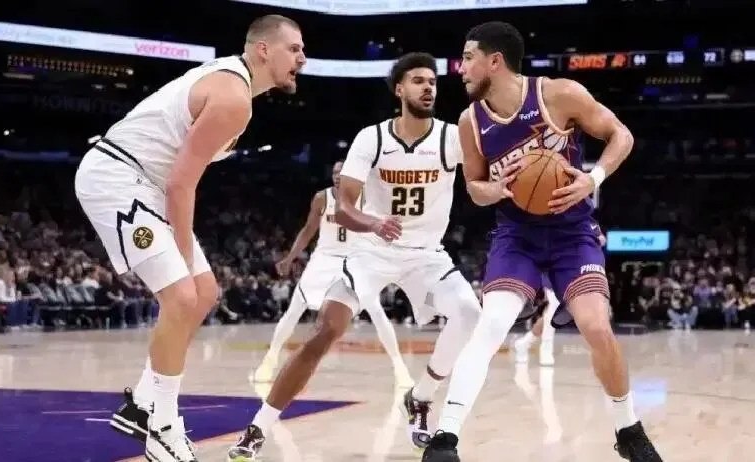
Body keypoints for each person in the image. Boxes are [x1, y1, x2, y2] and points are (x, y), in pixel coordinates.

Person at [422, 22, 663, 462]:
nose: (460, 68)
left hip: (572, 233)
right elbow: (474, 186)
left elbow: (621, 135)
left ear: (495, 61)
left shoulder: (558, 94)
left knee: (596, 327)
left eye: (468, 58)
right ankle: (445, 438)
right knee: (491, 324)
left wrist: (593, 177)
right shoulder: (470, 121)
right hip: (517, 236)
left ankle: (627, 429)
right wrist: (496, 189)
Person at [226, 52, 481, 461]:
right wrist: (373, 222)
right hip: (372, 252)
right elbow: (344, 208)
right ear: (399, 90)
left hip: (426, 256)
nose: (428, 88)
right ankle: (258, 428)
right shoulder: (372, 138)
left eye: (432, 82)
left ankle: (421, 396)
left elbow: (480, 181)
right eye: (418, 81)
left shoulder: (451, 138)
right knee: (326, 329)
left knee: (469, 312)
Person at [74, 15, 305, 462]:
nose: (302, 58)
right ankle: (162, 427)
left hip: (147, 184)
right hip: (117, 177)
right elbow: (182, 184)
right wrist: (182, 256)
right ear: (263, 50)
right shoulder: (233, 97)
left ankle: (143, 404)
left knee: (205, 293)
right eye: (294, 48)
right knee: (182, 296)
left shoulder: (234, 85)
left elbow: (178, 180)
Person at [254, 161, 414, 387]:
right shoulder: (322, 198)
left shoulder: (367, 196)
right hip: (324, 259)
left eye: (342, 172)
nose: (337, 175)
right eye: (334, 172)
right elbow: (308, 230)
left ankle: (399, 368)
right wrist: (290, 258)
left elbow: (381, 227)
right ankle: (270, 359)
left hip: (354, 259)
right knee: (294, 310)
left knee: (376, 311)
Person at [514, 229, 606, 366]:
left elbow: (602, 240)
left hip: (573, 269)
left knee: (552, 313)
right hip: (553, 269)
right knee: (553, 309)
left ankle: (524, 342)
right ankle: (545, 350)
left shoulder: (587, 222)